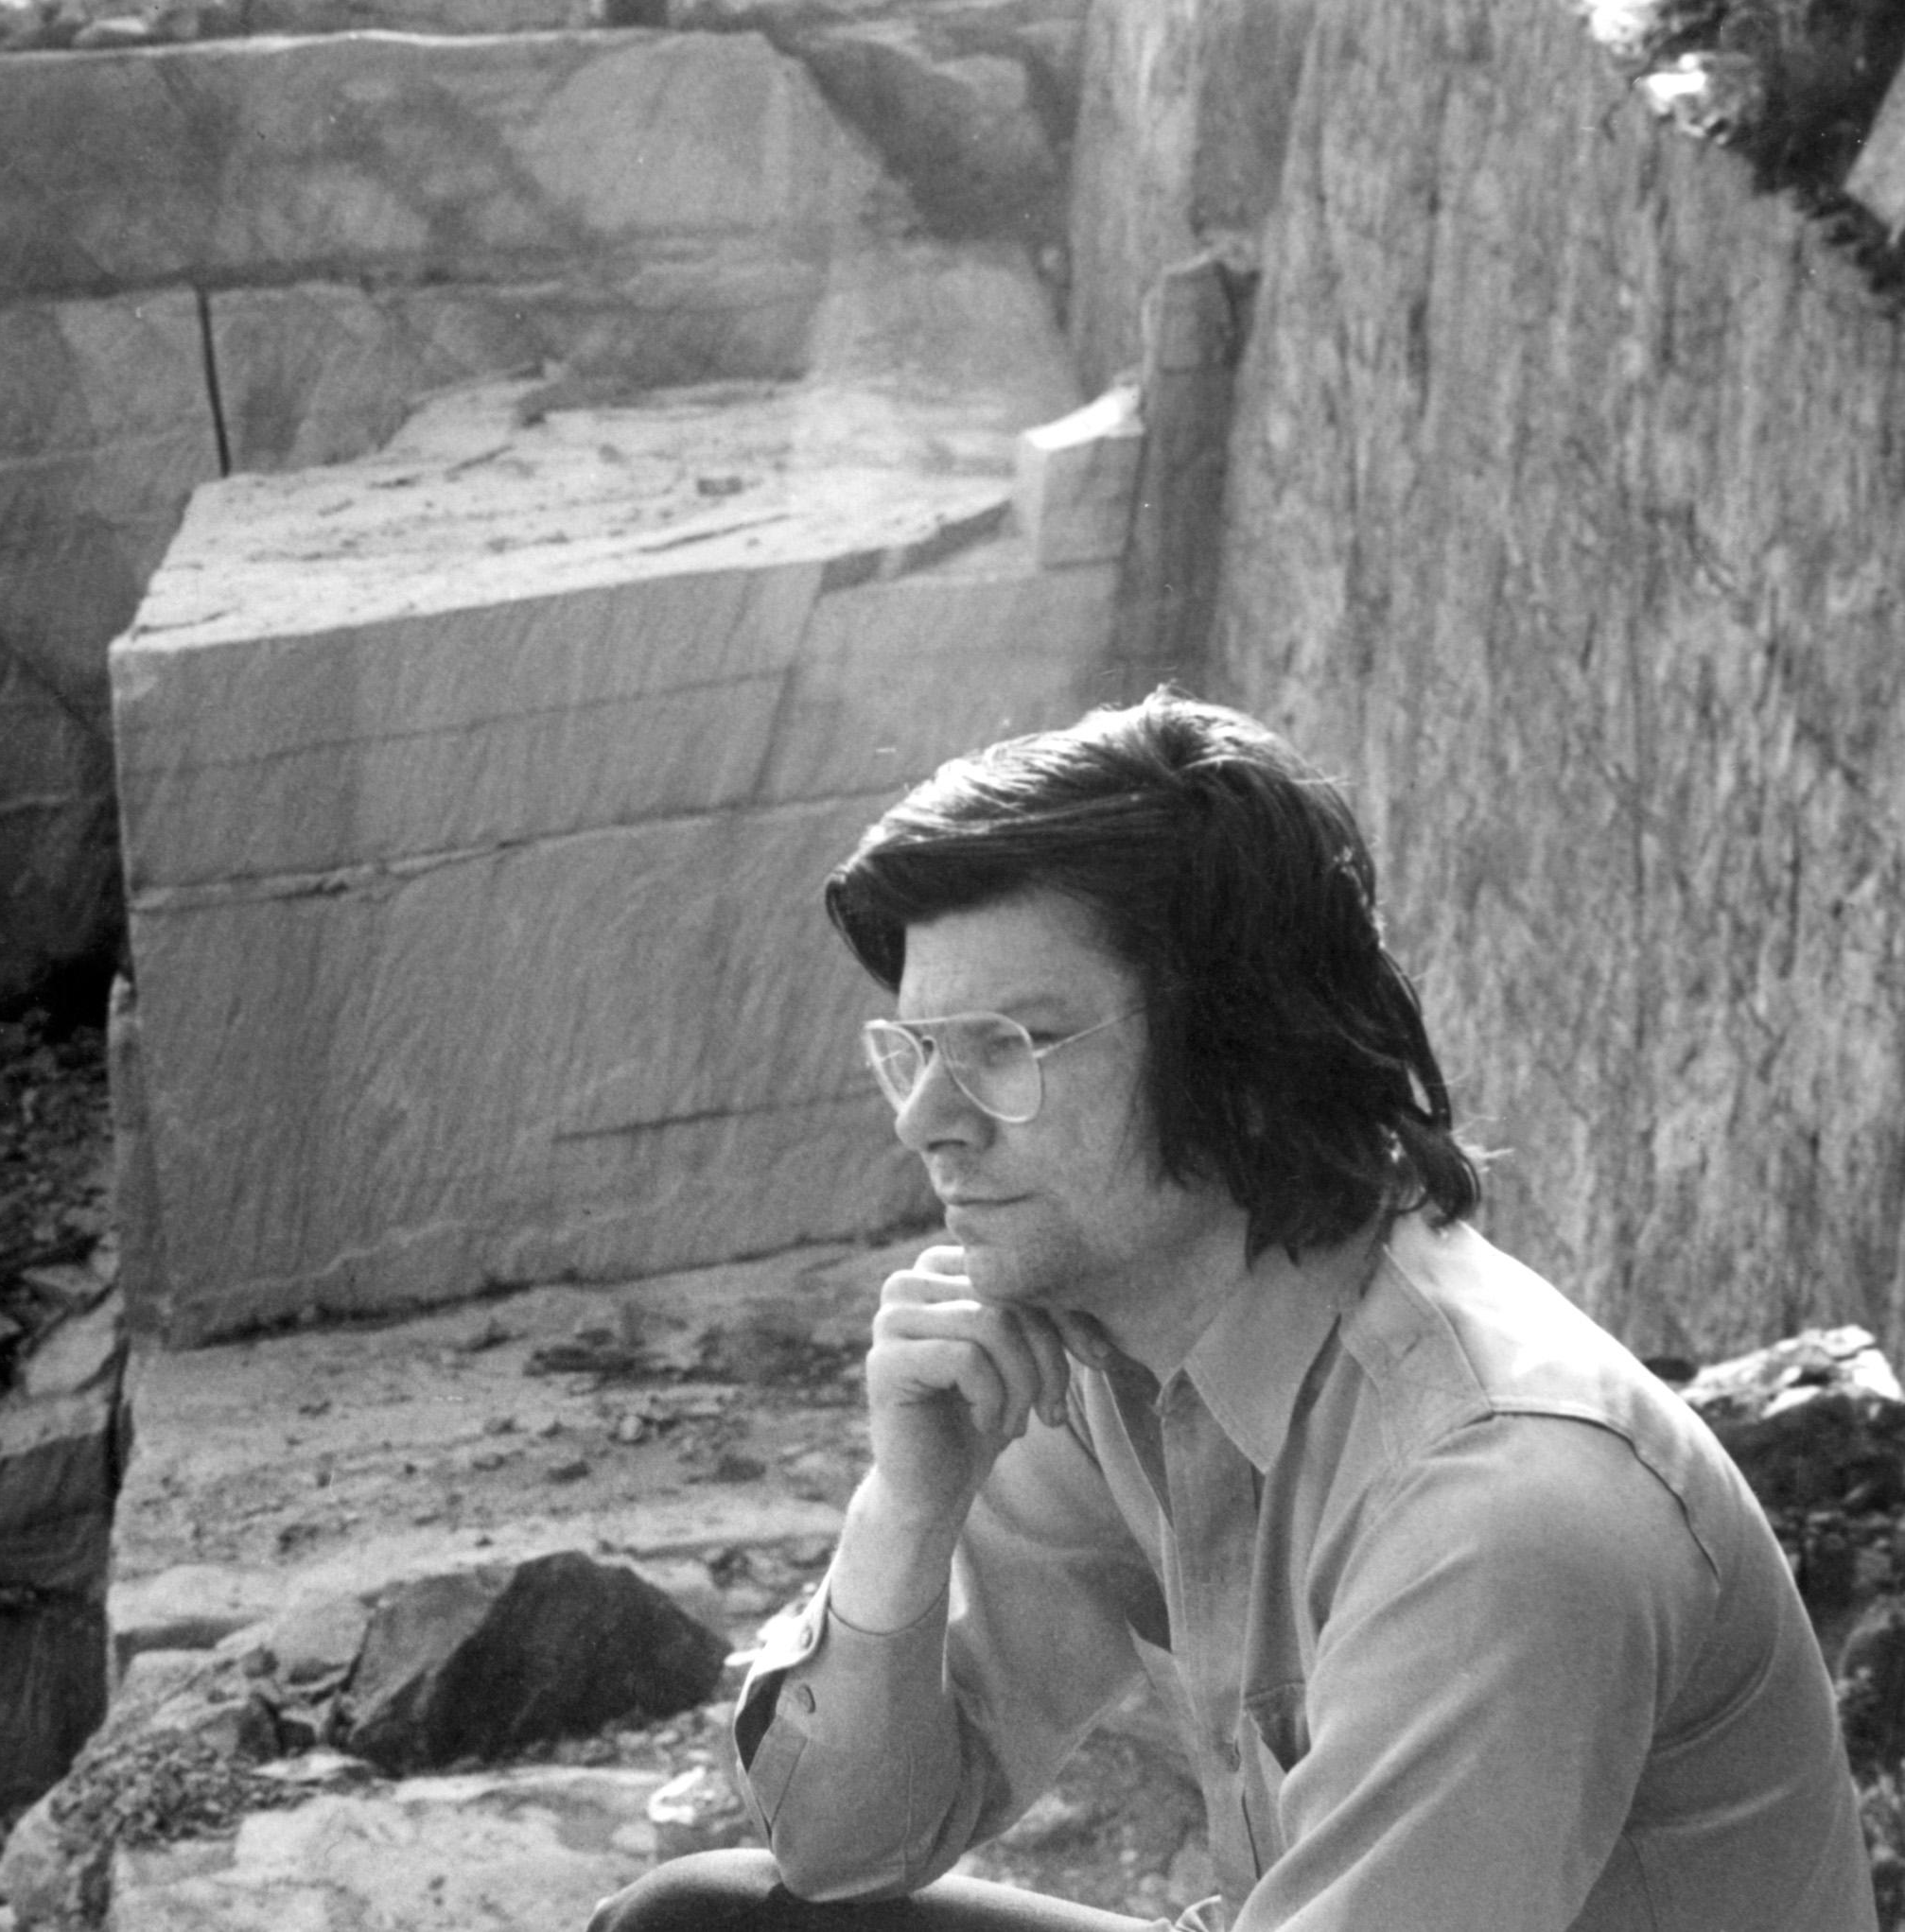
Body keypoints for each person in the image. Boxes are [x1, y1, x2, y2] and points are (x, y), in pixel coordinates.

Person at [592, 691, 1876, 1932]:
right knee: (699, 1926)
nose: (928, 1121)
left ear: (1246, 1054)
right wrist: (906, 1509)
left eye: (1002, 1048)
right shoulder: (1116, 1349)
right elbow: (841, 1845)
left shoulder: (1496, 1512)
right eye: (914, 1051)